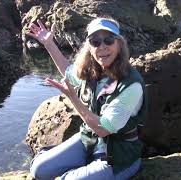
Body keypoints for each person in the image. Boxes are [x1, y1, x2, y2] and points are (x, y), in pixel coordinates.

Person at [27, 17, 146, 180]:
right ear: (89, 47)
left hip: (118, 154)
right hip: (89, 140)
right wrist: (49, 44)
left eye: (109, 40)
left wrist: (74, 99)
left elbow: (103, 129)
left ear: (119, 44)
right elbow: (69, 72)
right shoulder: (93, 70)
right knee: (39, 170)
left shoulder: (131, 84)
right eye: (95, 41)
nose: (102, 46)